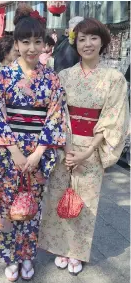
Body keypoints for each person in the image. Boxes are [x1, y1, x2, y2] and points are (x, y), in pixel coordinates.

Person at [39, 18, 129, 276]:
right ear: (74, 43)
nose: (87, 43)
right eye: (82, 39)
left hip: (92, 148)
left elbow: (113, 118)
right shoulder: (64, 76)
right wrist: (66, 149)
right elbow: (56, 114)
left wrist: (88, 151)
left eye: (93, 38)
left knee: (84, 201)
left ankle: (76, 252)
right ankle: (59, 246)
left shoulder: (114, 79)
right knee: (58, 195)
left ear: (103, 41)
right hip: (64, 147)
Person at [0, 4, 66, 281]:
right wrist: (15, 152)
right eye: (25, 42)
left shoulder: (52, 79)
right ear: (16, 44)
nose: (32, 48)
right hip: (8, 152)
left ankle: (27, 255)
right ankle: (10, 256)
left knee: (32, 206)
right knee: (7, 204)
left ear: (45, 44)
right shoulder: (3, 76)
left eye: (37, 42)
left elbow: (55, 118)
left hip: (39, 153)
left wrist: (38, 153)